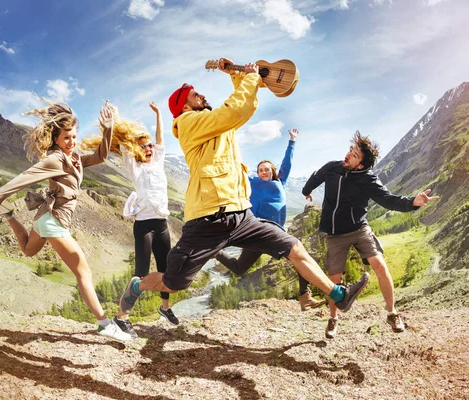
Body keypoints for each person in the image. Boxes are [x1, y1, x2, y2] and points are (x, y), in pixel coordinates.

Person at [116, 57, 370, 339]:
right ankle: (137, 286)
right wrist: (249, 77)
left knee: (294, 247)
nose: (202, 95)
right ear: (184, 106)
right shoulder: (188, 123)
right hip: (207, 220)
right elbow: (233, 111)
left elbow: (239, 110)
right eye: (194, 94)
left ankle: (338, 295)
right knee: (174, 283)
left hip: (240, 213)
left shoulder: (213, 124)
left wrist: (237, 76)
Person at [0, 99, 131, 343]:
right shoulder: (56, 159)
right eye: (66, 138)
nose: (71, 142)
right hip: (53, 221)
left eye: (73, 137)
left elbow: (101, 155)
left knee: (29, 250)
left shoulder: (76, 158)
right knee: (84, 273)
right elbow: (26, 177)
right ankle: (104, 324)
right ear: (56, 140)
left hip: (44, 219)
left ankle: (9, 214)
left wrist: (108, 128)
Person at [302, 130, 439, 339]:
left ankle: (392, 313)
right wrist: (306, 190)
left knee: (380, 265)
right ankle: (333, 319)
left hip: (359, 229)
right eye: (350, 150)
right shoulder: (332, 168)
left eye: (355, 155)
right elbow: (315, 177)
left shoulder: (368, 179)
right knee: (334, 279)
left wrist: (413, 202)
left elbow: (388, 199)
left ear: (361, 165)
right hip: (335, 234)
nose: (348, 155)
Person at [81, 102, 178, 337]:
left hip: (162, 224)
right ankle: (122, 317)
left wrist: (158, 114)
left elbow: (160, 137)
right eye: (144, 146)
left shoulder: (158, 162)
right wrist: (114, 119)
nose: (149, 148)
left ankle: (165, 309)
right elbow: (125, 144)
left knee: (166, 270)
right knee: (141, 273)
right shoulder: (134, 167)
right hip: (144, 225)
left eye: (150, 146)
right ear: (136, 149)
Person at [215, 128, 324, 311]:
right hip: (256, 231)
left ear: (273, 170)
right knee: (240, 268)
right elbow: (237, 165)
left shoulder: (280, 182)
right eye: (260, 170)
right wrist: (227, 143)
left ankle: (305, 298)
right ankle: (216, 253)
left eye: (266, 169)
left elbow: (287, 162)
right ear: (257, 173)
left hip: (276, 232)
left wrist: (292, 141)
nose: (264, 172)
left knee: (301, 260)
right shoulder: (251, 182)